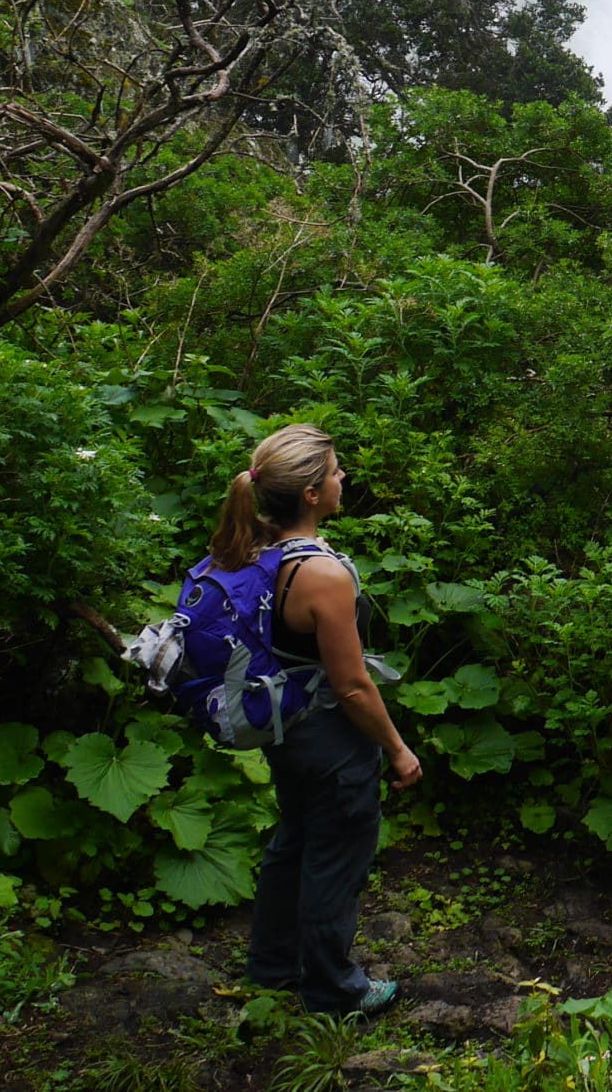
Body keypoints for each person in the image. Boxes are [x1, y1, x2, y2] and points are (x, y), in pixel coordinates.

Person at [208, 424, 421, 1016]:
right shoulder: (321, 575)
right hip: (327, 733)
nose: (342, 477)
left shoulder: (248, 550)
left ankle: (272, 967)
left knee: (295, 840)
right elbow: (352, 685)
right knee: (337, 854)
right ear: (309, 493)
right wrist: (398, 750)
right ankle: (334, 991)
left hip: (282, 727)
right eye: (334, 470)